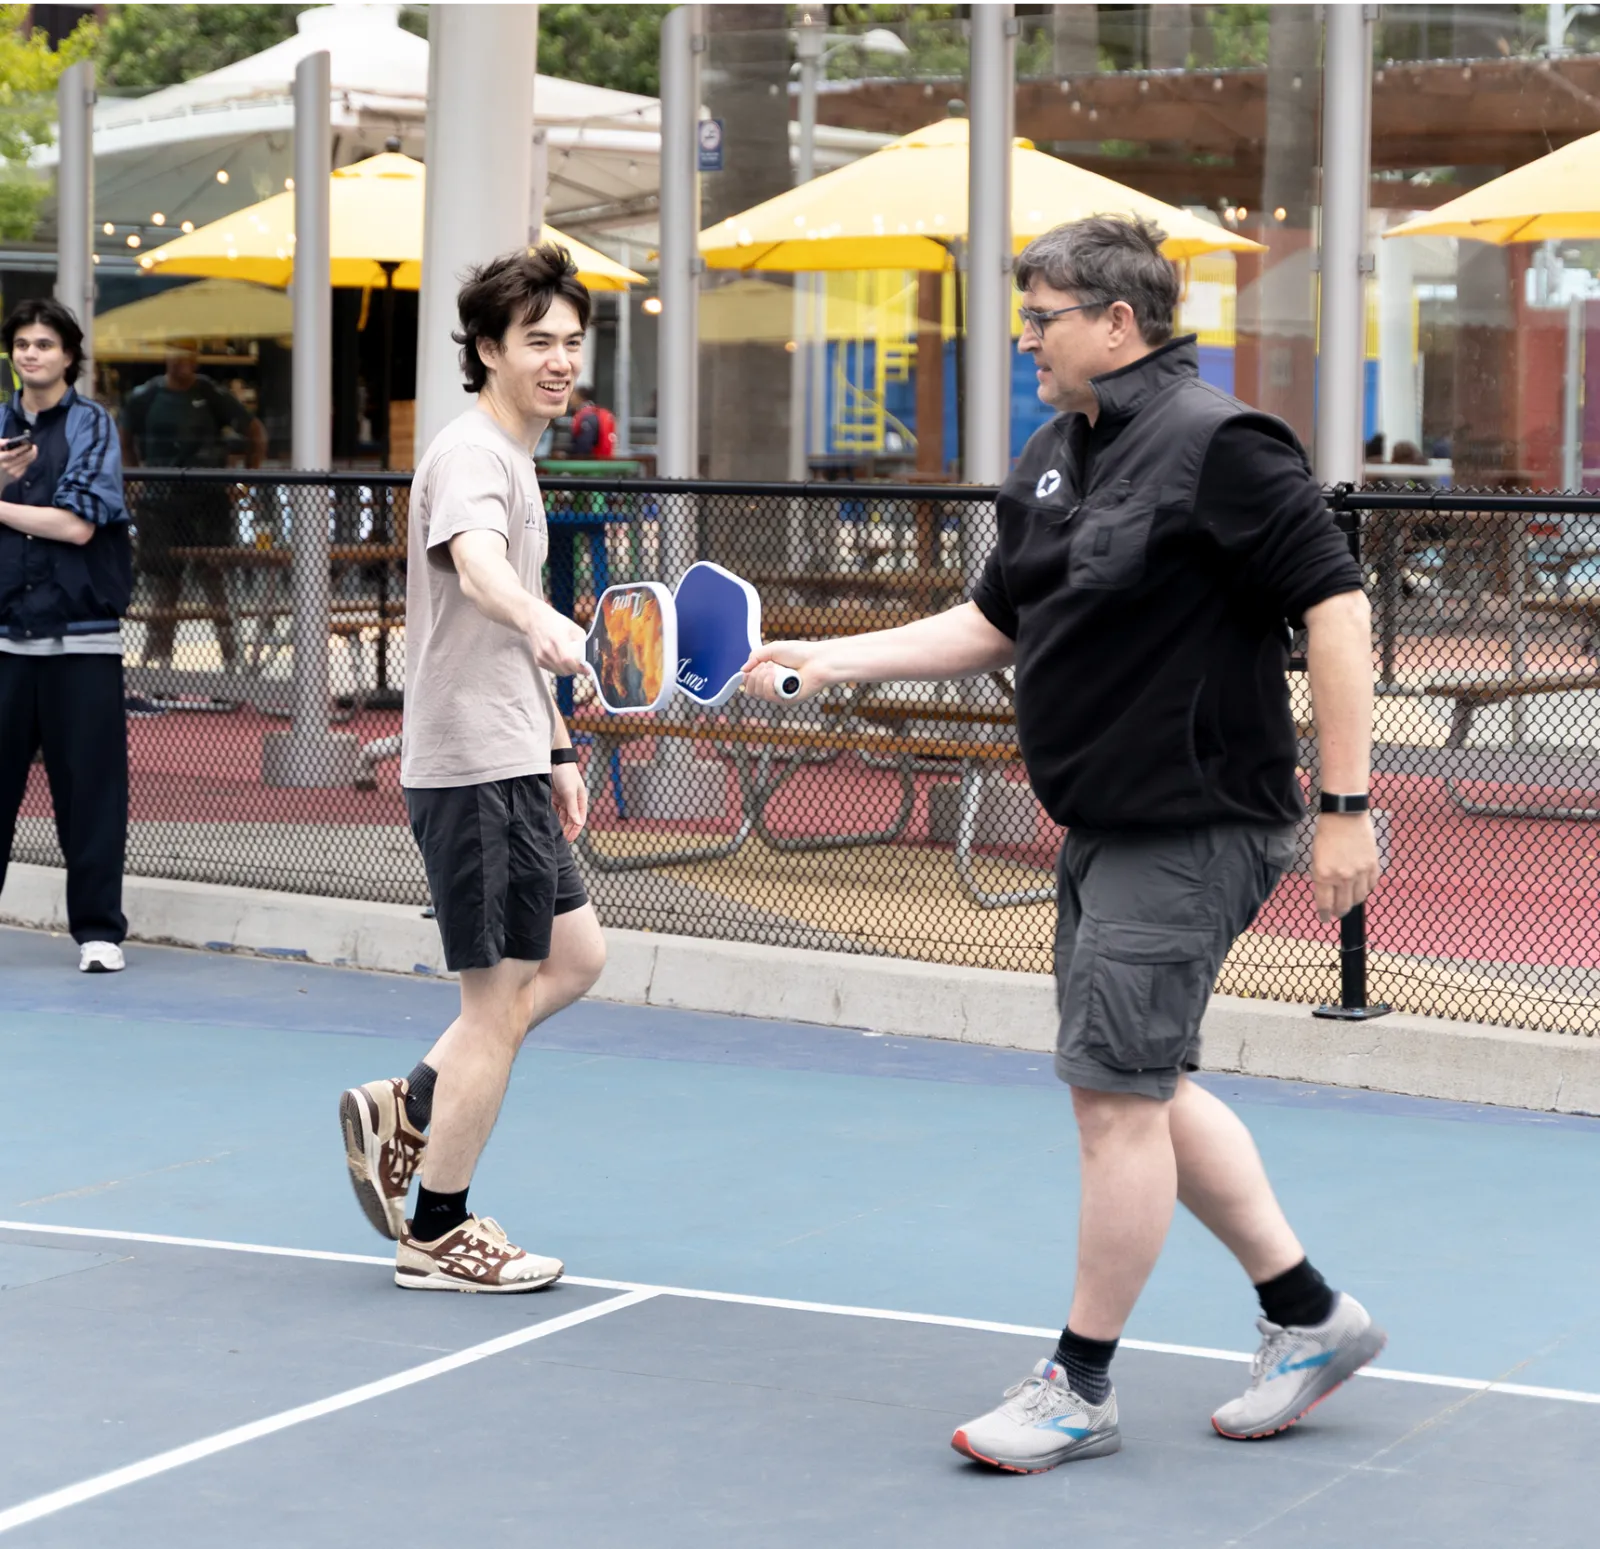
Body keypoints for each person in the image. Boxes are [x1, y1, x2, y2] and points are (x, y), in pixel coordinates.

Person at [745, 216, 1385, 1473]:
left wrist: (1347, 808)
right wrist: (827, 658)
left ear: (1116, 322)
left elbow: (1337, 605)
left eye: (1041, 316)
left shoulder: (1223, 445)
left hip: (1196, 820)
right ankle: (1312, 1316)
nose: (1025, 337)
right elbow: (993, 622)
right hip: (1101, 821)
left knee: (1111, 1101)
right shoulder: (1051, 455)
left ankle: (1077, 1387)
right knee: (1139, 1081)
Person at [339, 245, 604, 1292]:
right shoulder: (469, 456)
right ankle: (437, 1232)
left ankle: (409, 1103)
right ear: (488, 350)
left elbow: (502, 632)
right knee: (493, 1007)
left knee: (575, 958)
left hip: (512, 755)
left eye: (572, 342)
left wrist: (556, 747)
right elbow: (482, 569)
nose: (559, 359)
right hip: (469, 772)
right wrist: (540, 614)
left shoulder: (514, 453)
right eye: (537, 340)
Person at [0, 299, 133, 974]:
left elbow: (80, 524)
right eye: (22, 343)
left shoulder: (93, 426)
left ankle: (99, 932)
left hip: (82, 641)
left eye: (45, 343)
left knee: (91, 794)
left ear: (69, 355)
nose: (31, 353)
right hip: (4, 641)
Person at [119, 341, 265, 669]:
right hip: (161, 505)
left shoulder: (212, 394)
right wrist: (136, 479)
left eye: (189, 350)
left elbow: (256, 431)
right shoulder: (146, 396)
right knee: (164, 586)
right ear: (166, 354)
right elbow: (123, 439)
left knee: (214, 581)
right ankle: (156, 667)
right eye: (176, 349)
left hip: (207, 503)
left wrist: (245, 483)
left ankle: (232, 666)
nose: (183, 358)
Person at [568, 384, 616, 458]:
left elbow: (584, 444)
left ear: (580, 398)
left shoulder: (587, 416)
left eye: (573, 395)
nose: (570, 399)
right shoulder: (591, 412)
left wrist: (575, 458)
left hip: (589, 462)